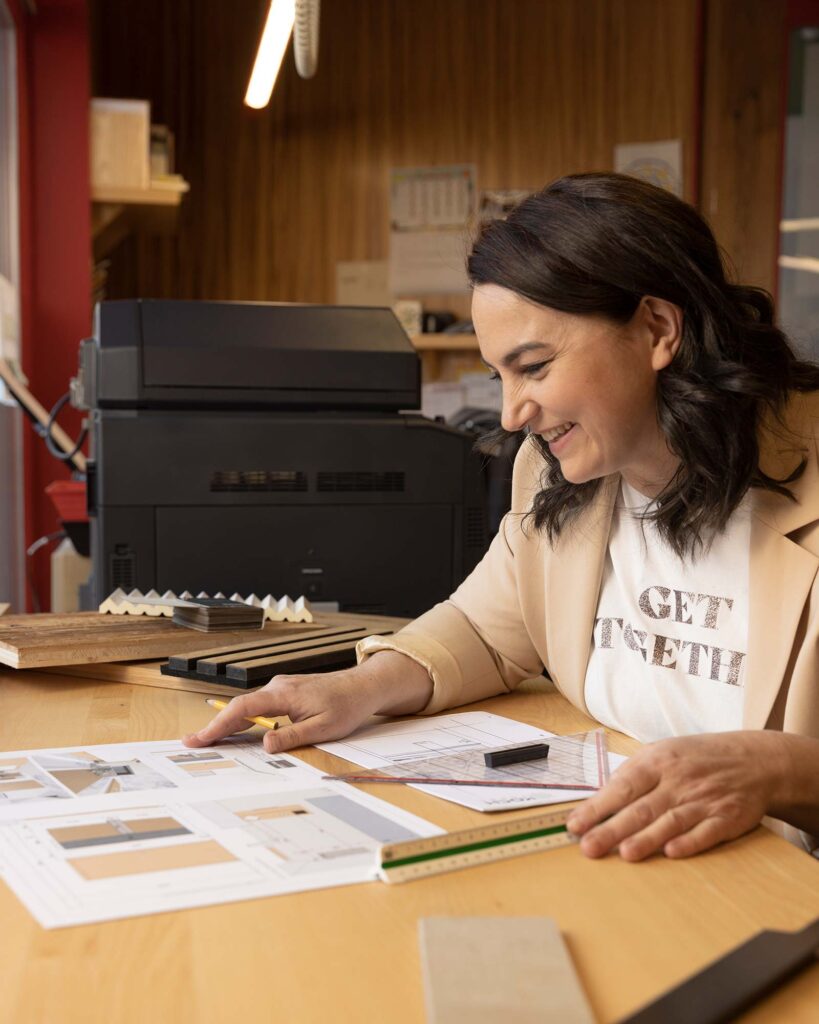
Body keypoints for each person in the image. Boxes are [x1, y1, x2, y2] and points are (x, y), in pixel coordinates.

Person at [183, 173, 819, 860]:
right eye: (499, 377)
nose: (513, 414)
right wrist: (357, 688)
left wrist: (777, 770)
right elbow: (488, 628)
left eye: (535, 367)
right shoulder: (562, 468)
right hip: (630, 853)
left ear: (657, 328)